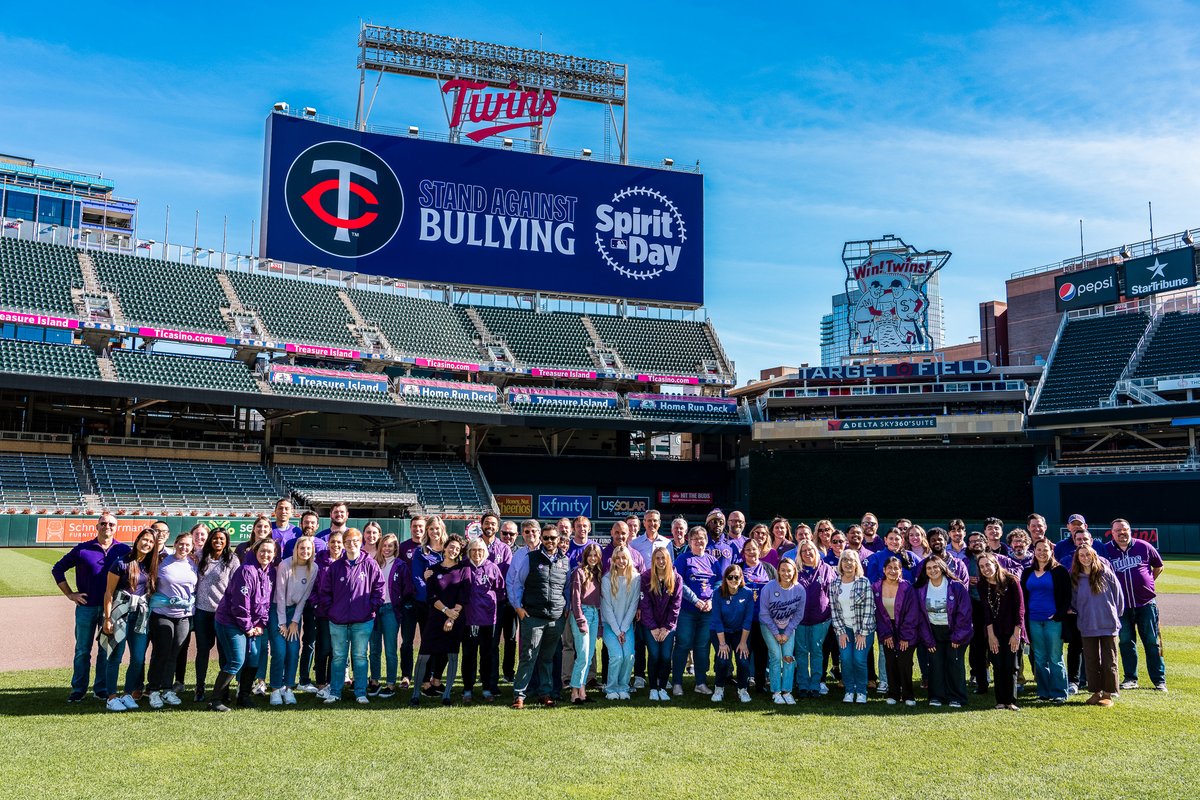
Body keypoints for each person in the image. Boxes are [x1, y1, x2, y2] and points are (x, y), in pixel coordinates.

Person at [52, 512, 131, 703]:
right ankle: (78, 689)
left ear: (116, 527)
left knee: (105, 650)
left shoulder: (124, 549)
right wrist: (70, 594)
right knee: (82, 650)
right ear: (97, 526)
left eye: (111, 524)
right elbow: (57, 569)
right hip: (86, 607)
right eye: (103, 523)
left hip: (111, 609)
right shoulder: (83, 549)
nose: (107, 527)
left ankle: (101, 689)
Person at [210, 537, 276, 712]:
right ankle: (216, 700)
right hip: (230, 621)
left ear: (274, 555)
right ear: (256, 551)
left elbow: (266, 602)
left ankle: (243, 696)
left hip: (253, 625)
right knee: (236, 660)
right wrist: (248, 627)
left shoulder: (270, 573)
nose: (266, 554)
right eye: (262, 550)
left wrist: (261, 624)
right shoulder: (246, 570)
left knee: (254, 658)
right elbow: (241, 603)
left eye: (270, 551)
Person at [319, 528, 384, 705]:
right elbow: (325, 592)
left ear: (360, 542)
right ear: (344, 544)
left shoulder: (370, 564)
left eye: (355, 541)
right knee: (339, 657)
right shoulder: (335, 567)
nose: (351, 544)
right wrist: (331, 611)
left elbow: (379, 589)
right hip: (338, 620)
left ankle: (360, 692)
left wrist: (370, 608)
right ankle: (335, 692)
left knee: (360, 656)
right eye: (348, 542)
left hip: (363, 620)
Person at [510, 523, 570, 709]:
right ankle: (519, 695)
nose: (550, 541)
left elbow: (567, 589)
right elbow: (516, 584)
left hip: (555, 619)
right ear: (541, 539)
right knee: (528, 656)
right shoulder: (531, 558)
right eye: (546, 538)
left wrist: (565, 609)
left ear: (559, 539)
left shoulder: (565, 561)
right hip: (533, 617)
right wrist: (518, 608)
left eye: (553, 538)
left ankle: (545, 693)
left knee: (547, 658)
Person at [98, 527, 157, 711]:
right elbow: (108, 593)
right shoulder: (121, 563)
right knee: (115, 656)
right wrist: (107, 619)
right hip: (120, 613)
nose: (146, 544)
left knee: (138, 658)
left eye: (151, 542)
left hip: (140, 614)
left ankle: (128, 693)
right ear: (138, 540)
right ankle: (111, 696)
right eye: (144, 539)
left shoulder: (150, 565)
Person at [1104, 519, 1167, 692]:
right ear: (1112, 532)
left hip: (1146, 604)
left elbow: (1158, 566)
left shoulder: (1144, 546)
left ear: (1130, 530)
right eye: (1117, 530)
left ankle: (1159, 680)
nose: (1121, 533)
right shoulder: (1106, 550)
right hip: (1121, 606)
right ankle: (1131, 678)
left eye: (1124, 529)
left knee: (1152, 642)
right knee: (1125, 642)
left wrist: (1148, 583)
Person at [412, 534, 471, 706]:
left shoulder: (463, 569)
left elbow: (463, 595)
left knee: (451, 655)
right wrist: (446, 611)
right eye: (451, 547)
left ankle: (446, 695)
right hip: (436, 617)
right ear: (444, 548)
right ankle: (415, 694)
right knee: (424, 655)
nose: (453, 550)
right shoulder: (433, 569)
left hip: (455, 619)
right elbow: (431, 596)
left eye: (457, 549)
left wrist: (452, 617)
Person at [144, 532, 197, 709]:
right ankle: (153, 690)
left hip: (184, 615)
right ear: (175, 544)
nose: (184, 547)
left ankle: (167, 689)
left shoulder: (193, 564)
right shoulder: (162, 561)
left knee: (175, 652)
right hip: (162, 613)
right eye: (181, 544)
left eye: (188, 545)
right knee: (162, 652)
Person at [1071, 544, 1126, 707]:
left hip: (1107, 623)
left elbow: (1118, 595)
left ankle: (1108, 693)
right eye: (1081, 555)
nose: (1085, 558)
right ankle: (1096, 692)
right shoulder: (1075, 577)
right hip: (1087, 624)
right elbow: (1074, 601)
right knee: (1091, 660)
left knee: (1110, 659)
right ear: (1077, 558)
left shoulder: (1105, 572)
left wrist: (1116, 616)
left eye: (1088, 554)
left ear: (1093, 555)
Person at [915, 556, 973, 708]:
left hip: (954, 631)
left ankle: (957, 697)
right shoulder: (921, 588)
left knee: (954, 663)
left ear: (942, 568)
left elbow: (964, 613)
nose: (932, 570)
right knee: (935, 664)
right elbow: (920, 617)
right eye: (929, 568)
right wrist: (928, 640)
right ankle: (937, 696)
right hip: (933, 631)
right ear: (925, 571)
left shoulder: (956, 586)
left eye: (935, 567)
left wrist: (957, 637)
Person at [1020, 539, 1071, 703]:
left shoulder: (1059, 571)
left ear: (1051, 551)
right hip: (1033, 620)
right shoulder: (1027, 572)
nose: (1042, 552)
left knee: (1055, 657)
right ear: (1034, 551)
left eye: (1045, 549)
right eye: (1039, 549)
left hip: (1053, 621)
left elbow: (1067, 596)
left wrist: (1058, 615)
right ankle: (1044, 692)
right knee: (1040, 658)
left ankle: (1059, 693)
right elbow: (1023, 597)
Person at [673, 526, 721, 696]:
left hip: (707, 611)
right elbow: (679, 583)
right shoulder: (683, 559)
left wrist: (711, 600)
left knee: (702, 647)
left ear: (706, 541)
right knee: (683, 644)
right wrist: (695, 600)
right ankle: (677, 683)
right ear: (689, 541)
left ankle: (700, 682)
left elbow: (718, 583)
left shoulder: (713, 561)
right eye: (695, 539)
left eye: (702, 538)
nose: (699, 541)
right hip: (687, 610)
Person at [268, 535, 316, 706]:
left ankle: (288, 688)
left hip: (295, 613)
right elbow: (280, 595)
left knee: (293, 651)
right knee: (280, 651)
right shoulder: (285, 564)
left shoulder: (314, 568)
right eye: (301, 548)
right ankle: (275, 689)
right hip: (278, 611)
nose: (305, 551)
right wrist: (282, 623)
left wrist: (295, 621)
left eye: (308, 549)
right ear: (296, 549)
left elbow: (304, 598)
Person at [192, 526, 238, 702]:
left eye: (222, 539)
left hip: (223, 613)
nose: (218, 541)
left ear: (226, 541)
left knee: (224, 652)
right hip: (203, 611)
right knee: (203, 650)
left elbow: (234, 586)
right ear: (210, 539)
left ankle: (222, 691)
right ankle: (199, 688)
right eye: (215, 538)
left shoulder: (232, 559)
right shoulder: (201, 556)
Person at [979, 552, 1025, 711]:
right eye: (982, 566)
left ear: (995, 564)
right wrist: (991, 636)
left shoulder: (1011, 581)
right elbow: (986, 612)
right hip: (995, 631)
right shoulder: (982, 585)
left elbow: (1020, 609)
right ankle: (1000, 700)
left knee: (1011, 666)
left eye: (988, 564)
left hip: (1013, 629)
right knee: (998, 665)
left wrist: (1016, 634)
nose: (986, 569)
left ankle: (1011, 701)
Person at [872, 556, 920, 707]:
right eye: (890, 568)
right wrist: (885, 634)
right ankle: (893, 693)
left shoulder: (908, 588)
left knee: (905, 663)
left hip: (906, 628)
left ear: (901, 570)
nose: (893, 571)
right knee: (890, 662)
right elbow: (878, 614)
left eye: (896, 568)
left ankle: (908, 694)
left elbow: (913, 613)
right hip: (887, 629)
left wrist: (905, 637)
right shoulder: (876, 587)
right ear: (884, 570)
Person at [461, 536, 505, 703]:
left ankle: (486, 688)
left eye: (480, 550)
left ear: (485, 552)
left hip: (489, 619)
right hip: (468, 619)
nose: (477, 553)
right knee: (468, 655)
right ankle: (467, 689)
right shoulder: (463, 568)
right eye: (473, 550)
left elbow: (500, 591)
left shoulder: (492, 568)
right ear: (469, 552)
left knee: (487, 655)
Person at [759, 557, 805, 705]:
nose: (786, 573)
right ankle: (776, 692)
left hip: (788, 627)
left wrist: (787, 632)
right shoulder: (769, 587)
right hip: (769, 625)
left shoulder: (799, 589)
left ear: (794, 572)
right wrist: (776, 633)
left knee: (788, 657)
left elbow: (799, 614)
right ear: (778, 571)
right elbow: (764, 613)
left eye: (789, 570)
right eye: (783, 570)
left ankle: (787, 691)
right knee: (775, 656)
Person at [830, 549, 874, 704]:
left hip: (863, 628)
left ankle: (861, 691)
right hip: (844, 629)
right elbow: (834, 611)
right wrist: (840, 632)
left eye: (852, 560)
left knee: (859, 659)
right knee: (846, 659)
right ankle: (849, 690)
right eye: (845, 560)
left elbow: (869, 609)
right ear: (840, 563)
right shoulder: (834, 584)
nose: (848, 563)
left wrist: (862, 634)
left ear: (857, 563)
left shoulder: (864, 582)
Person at [640, 547, 683, 701]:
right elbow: (645, 605)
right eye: (657, 558)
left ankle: (663, 688)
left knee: (665, 656)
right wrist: (652, 627)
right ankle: (653, 688)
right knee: (654, 655)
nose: (660, 561)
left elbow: (675, 606)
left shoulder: (676, 578)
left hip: (668, 626)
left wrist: (667, 628)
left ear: (668, 559)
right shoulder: (646, 577)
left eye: (663, 558)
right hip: (650, 625)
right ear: (653, 560)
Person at [412, 517, 447, 696]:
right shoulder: (421, 552)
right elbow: (418, 578)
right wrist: (433, 598)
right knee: (428, 644)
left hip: (446, 607)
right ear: (427, 531)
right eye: (431, 529)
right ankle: (425, 683)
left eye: (437, 528)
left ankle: (437, 679)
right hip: (426, 605)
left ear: (442, 529)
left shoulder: (450, 550)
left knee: (445, 643)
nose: (434, 532)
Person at [794, 541, 834, 697]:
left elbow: (832, 593)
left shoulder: (827, 569)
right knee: (801, 652)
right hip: (799, 620)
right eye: (803, 551)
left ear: (816, 551)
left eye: (810, 549)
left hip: (821, 619)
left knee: (817, 652)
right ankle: (803, 685)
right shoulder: (796, 570)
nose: (807, 553)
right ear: (800, 554)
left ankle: (816, 685)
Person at [601, 546, 641, 700]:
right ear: (613, 560)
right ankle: (611, 688)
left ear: (629, 559)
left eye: (624, 558)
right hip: (611, 626)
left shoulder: (636, 578)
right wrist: (617, 631)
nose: (621, 561)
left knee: (629, 656)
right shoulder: (607, 579)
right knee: (617, 656)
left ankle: (623, 686)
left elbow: (633, 605)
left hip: (627, 626)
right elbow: (606, 607)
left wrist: (624, 629)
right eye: (618, 558)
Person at [710, 564, 754, 703]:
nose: (734, 580)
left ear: (741, 578)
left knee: (743, 660)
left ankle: (742, 689)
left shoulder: (747, 593)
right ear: (725, 578)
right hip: (721, 632)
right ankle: (719, 688)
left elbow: (748, 620)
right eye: (730, 577)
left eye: (737, 577)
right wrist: (722, 644)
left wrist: (743, 643)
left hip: (741, 633)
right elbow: (717, 619)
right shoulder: (717, 593)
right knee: (723, 660)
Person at [740, 538, 777, 693]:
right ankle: (744, 682)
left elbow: (777, 590)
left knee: (762, 652)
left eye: (754, 549)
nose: (751, 552)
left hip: (763, 619)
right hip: (744, 619)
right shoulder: (737, 569)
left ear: (759, 551)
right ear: (743, 553)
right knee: (744, 652)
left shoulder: (768, 569)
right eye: (747, 549)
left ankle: (761, 683)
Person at [567, 542, 603, 704]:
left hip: (595, 613)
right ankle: (574, 692)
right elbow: (575, 599)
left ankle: (582, 691)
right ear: (585, 556)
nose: (593, 558)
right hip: (582, 614)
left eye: (596, 555)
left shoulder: (598, 574)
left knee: (588, 656)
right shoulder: (579, 572)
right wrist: (580, 619)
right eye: (590, 555)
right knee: (582, 654)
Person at [312, 531, 344, 700]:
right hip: (324, 613)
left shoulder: (348, 562)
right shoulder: (319, 562)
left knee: (336, 650)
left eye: (339, 542)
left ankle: (333, 681)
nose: (336, 545)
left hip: (341, 615)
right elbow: (313, 587)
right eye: (333, 542)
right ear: (328, 543)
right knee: (323, 647)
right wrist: (317, 604)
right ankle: (321, 681)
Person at [369, 533, 401, 698]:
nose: (387, 548)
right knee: (374, 649)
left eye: (390, 545)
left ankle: (390, 684)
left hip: (390, 610)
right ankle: (374, 682)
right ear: (380, 547)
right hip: (374, 610)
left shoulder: (400, 565)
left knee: (390, 650)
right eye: (384, 545)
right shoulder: (373, 563)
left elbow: (406, 589)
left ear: (395, 547)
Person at [396, 516, 425, 689]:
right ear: (411, 527)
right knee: (407, 641)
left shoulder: (430, 547)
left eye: (421, 526)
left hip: (426, 601)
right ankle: (406, 675)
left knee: (426, 640)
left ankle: (424, 675)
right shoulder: (403, 547)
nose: (418, 529)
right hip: (408, 601)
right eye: (415, 526)